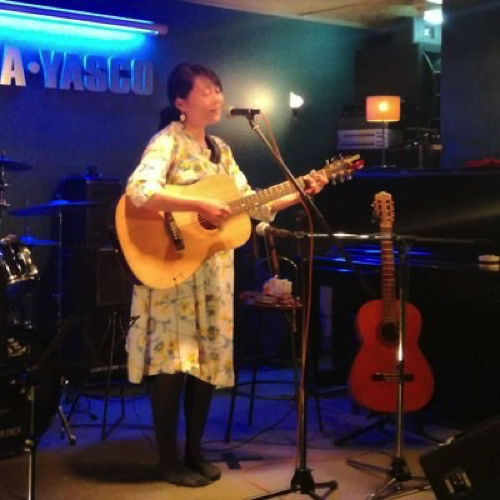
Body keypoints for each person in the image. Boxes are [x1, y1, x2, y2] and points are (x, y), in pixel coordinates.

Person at [125, 62, 327, 487]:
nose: (217, 97)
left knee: (205, 363)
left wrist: (298, 192)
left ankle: (194, 452)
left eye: (218, 89)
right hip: (175, 269)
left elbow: (252, 203)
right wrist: (197, 205)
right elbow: (139, 191)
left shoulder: (221, 150)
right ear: (181, 102)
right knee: (173, 365)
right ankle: (167, 460)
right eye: (206, 91)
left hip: (214, 272)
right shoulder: (167, 142)